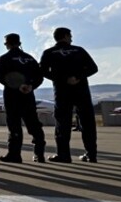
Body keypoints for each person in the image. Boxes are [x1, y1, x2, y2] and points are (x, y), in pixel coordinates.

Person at [40, 27, 99, 163]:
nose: (71, 38)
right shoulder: (79, 50)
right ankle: (91, 154)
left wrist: (62, 79)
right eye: (70, 36)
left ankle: (64, 155)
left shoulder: (49, 53)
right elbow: (93, 68)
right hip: (81, 91)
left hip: (62, 92)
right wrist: (77, 77)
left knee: (62, 124)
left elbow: (43, 71)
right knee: (87, 123)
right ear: (65, 36)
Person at [0, 32, 46, 163]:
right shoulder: (29, 58)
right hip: (28, 95)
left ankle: (14, 154)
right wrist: (30, 86)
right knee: (34, 124)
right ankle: (39, 154)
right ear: (19, 43)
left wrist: (17, 86)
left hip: (12, 96)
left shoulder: (5, 58)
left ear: (7, 44)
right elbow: (40, 76)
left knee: (14, 125)